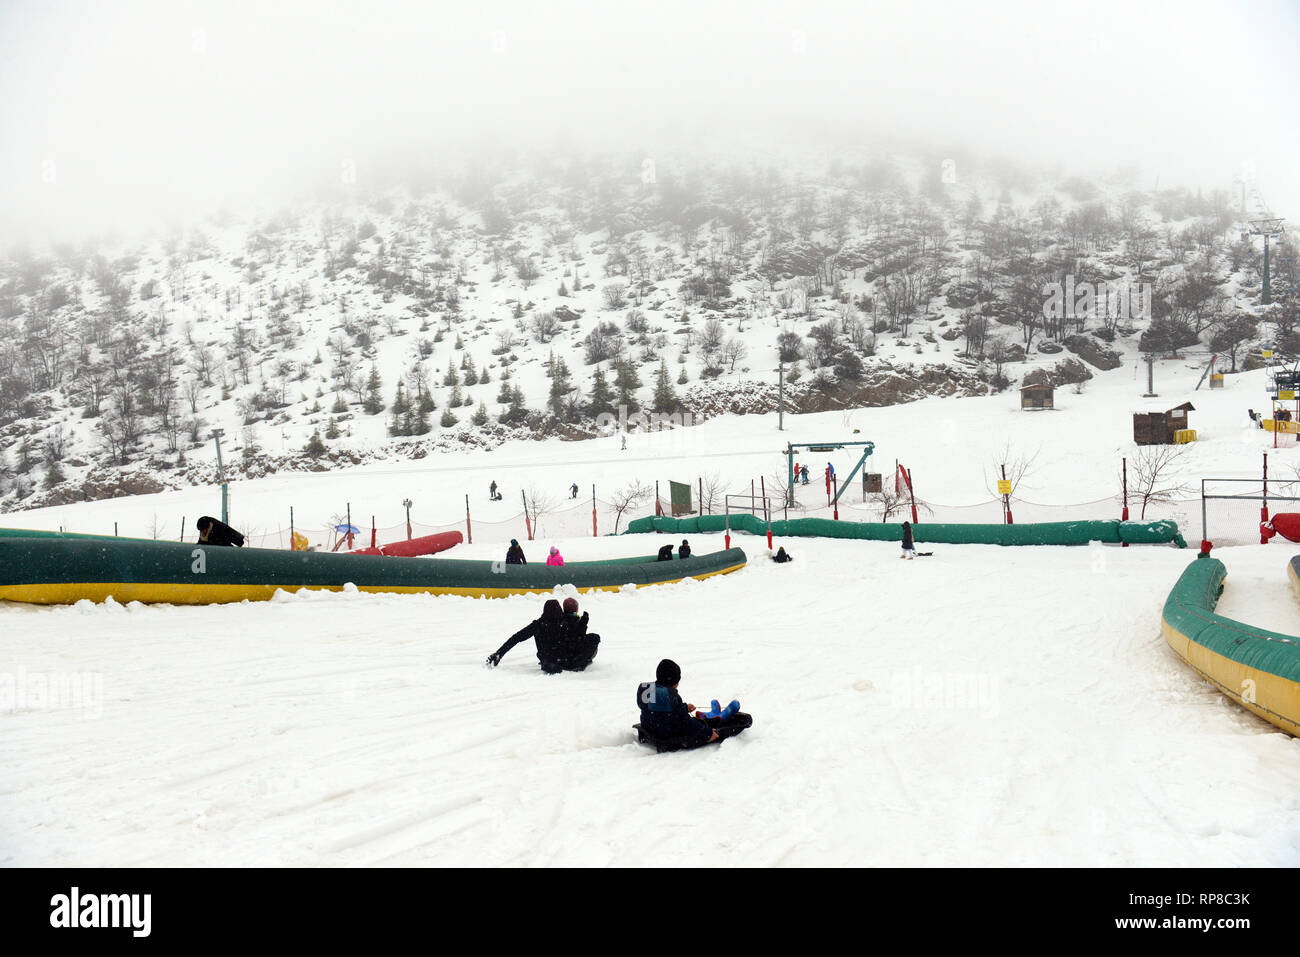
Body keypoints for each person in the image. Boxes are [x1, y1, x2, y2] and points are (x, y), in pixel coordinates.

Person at [487, 598, 596, 673]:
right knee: (593, 638)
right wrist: (583, 623)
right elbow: (577, 639)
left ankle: (550, 663)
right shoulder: (564, 623)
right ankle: (579, 663)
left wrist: (499, 653)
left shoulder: (538, 625)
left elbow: (516, 638)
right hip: (566, 658)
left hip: (547, 658)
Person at [636, 659, 718, 747]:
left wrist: (685, 707)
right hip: (665, 732)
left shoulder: (649, 690)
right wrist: (707, 733)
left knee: (679, 718)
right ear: (673, 682)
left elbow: (661, 709)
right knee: (696, 723)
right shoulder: (670, 696)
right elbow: (684, 722)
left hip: (649, 726)